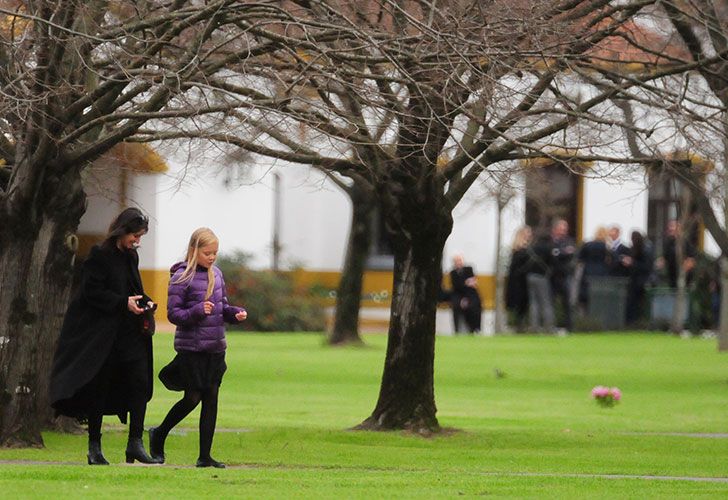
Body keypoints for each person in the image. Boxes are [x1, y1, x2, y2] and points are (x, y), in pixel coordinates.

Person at [50, 207, 160, 465]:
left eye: (140, 237)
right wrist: (123, 303)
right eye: (135, 235)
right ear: (123, 231)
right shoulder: (100, 256)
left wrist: (146, 302)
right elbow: (92, 293)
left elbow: (134, 289)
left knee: (139, 383)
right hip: (102, 335)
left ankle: (135, 443)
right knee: (99, 388)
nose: (137, 241)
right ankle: (94, 447)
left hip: (130, 333)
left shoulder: (131, 257)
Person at [150, 228, 247, 468]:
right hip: (192, 349)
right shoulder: (181, 277)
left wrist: (235, 314)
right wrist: (195, 312)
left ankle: (205, 456)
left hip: (215, 348)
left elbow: (222, 308)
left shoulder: (217, 275)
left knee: (211, 399)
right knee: (192, 398)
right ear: (194, 251)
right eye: (207, 253)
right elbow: (173, 314)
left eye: (215, 253)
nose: (212, 257)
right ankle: (159, 433)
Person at [549, 219, 576, 332]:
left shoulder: (569, 241)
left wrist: (560, 253)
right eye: (561, 229)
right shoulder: (550, 241)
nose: (563, 231)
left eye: (565, 229)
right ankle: (551, 326)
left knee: (567, 303)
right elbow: (552, 256)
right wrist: (563, 253)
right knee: (551, 302)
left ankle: (569, 327)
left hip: (565, 276)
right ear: (555, 229)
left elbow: (571, 253)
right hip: (552, 276)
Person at [505, 226, 533, 332]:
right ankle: (519, 325)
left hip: (525, 280)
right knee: (519, 303)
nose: (529, 235)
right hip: (518, 281)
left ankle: (522, 324)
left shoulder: (528, 248)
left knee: (524, 304)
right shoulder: (518, 249)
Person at [577, 226, 611, 312]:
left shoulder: (587, 244)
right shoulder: (606, 247)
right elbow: (609, 261)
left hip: (588, 271)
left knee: (586, 295)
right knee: (598, 297)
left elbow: (580, 258)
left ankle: (585, 317)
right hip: (601, 273)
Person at [623, 230, 654, 325]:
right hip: (635, 280)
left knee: (635, 302)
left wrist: (632, 263)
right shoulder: (636, 249)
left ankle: (635, 322)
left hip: (640, 281)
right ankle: (633, 321)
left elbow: (646, 267)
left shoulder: (644, 250)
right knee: (632, 302)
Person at [449, 254, 482, 333]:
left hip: (470, 295)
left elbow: (472, 284)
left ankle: (475, 329)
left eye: (460, 261)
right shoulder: (453, 273)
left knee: (475, 306)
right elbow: (456, 286)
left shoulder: (469, 269)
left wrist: (466, 284)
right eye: (456, 261)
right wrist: (466, 283)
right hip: (458, 296)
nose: (458, 263)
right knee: (456, 305)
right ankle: (457, 330)